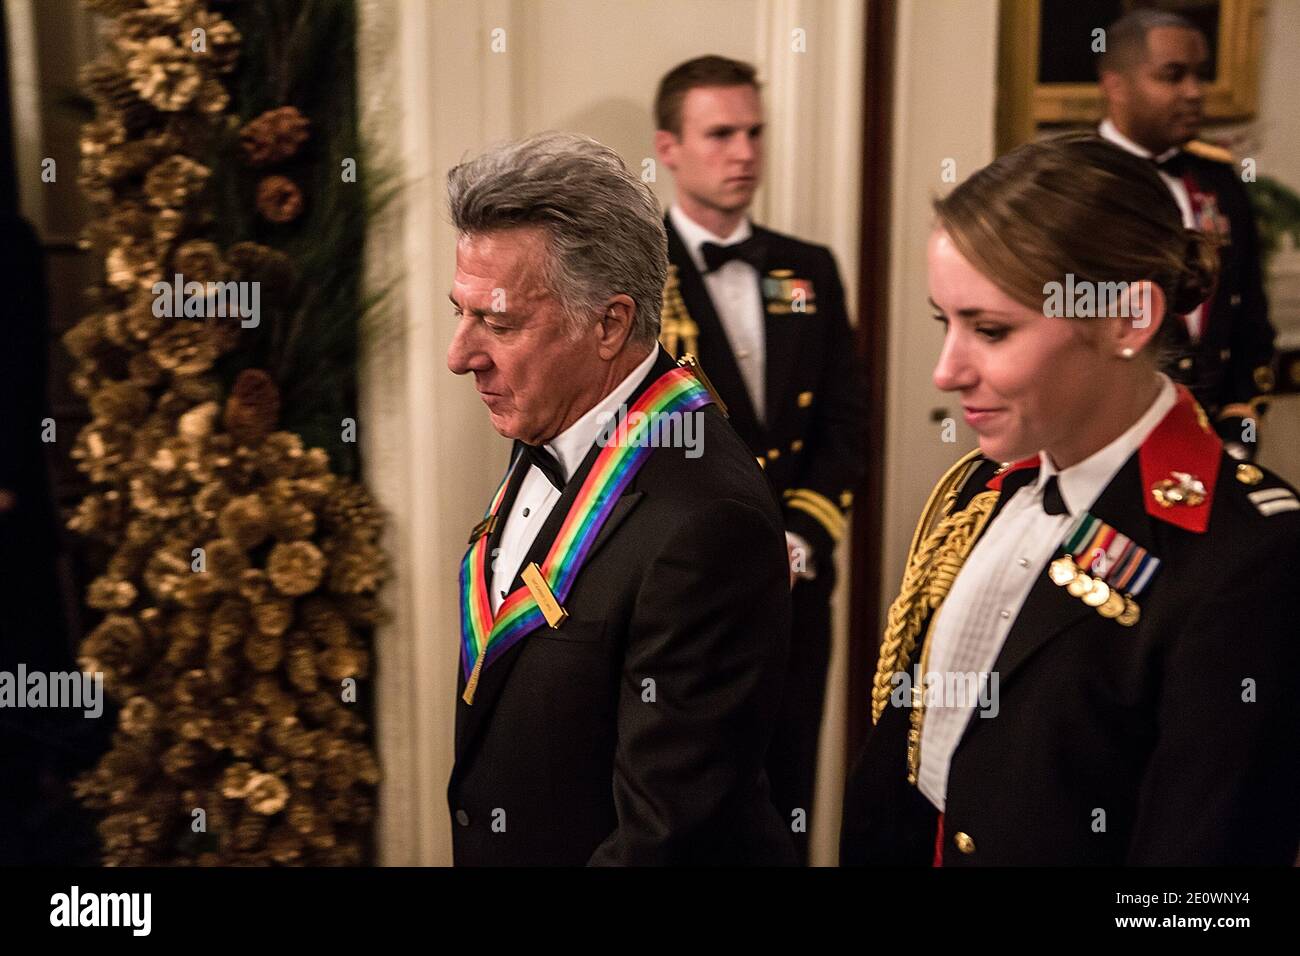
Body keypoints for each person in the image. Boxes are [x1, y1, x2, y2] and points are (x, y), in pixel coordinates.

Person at [841, 134, 1300, 866]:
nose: (945, 371)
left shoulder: (1243, 553)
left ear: (1127, 320)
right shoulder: (980, 488)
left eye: (990, 330)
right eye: (945, 321)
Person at [444, 131, 795, 866]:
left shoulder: (708, 523)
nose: (460, 356)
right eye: (462, 312)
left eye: (499, 323)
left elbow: (665, 839)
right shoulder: (562, 406)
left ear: (609, 324)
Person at [654, 55, 868, 861]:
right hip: (691, 591)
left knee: (790, 787)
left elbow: (846, 420)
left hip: (798, 584)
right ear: (668, 147)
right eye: (720, 134)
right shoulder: (635, 275)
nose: (744, 152)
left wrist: (803, 536)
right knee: (690, 801)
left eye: (754, 132)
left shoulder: (806, 267)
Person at [1098, 8, 1276, 461]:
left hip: (1216, 440)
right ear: (1115, 84)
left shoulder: (1220, 181)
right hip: (1107, 440)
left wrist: (1239, 423)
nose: (1195, 93)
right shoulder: (1077, 183)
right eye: (1172, 76)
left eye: (1199, 75)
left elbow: (1249, 310)